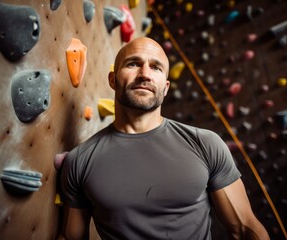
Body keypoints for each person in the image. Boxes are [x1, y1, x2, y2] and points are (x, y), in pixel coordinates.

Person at [57, 37, 270, 240]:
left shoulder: (206, 144)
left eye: (156, 67)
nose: (145, 74)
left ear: (166, 88)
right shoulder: (80, 161)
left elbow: (244, 229)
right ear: (113, 80)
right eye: (133, 64)